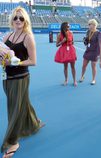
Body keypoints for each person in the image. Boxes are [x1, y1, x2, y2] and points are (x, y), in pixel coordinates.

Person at [1, 6, 44, 158]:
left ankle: (13, 141)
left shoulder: (28, 37)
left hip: (20, 78)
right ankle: (34, 123)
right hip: (6, 78)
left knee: (14, 109)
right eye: (15, 18)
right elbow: (2, 57)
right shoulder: (7, 36)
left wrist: (16, 62)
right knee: (23, 103)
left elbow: (33, 61)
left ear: (25, 20)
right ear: (11, 20)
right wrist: (3, 60)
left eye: (21, 18)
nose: (18, 20)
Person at [79, 19, 101, 85]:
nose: (89, 26)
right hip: (88, 51)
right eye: (88, 24)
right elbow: (86, 42)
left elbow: (99, 44)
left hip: (94, 52)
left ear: (94, 25)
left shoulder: (98, 33)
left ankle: (93, 79)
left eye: (90, 24)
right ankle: (82, 76)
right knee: (84, 66)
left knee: (93, 66)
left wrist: (98, 54)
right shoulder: (88, 32)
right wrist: (85, 40)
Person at [55, 22, 77, 86]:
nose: (69, 28)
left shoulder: (71, 33)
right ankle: (66, 80)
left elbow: (73, 42)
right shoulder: (59, 34)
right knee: (65, 67)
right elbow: (56, 45)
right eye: (67, 26)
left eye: (69, 26)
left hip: (71, 50)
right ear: (64, 27)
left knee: (73, 66)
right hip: (64, 51)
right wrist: (62, 41)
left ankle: (74, 80)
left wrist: (70, 44)